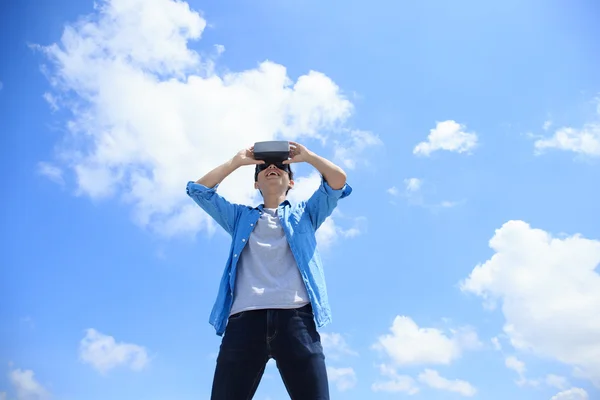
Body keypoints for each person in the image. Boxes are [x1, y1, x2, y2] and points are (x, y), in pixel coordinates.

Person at [186, 141, 352, 399]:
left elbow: (337, 181)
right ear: (256, 184)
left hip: (297, 320)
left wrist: (308, 157)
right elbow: (198, 191)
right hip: (244, 321)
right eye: (264, 167)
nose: (272, 168)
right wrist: (236, 162)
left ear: (291, 182)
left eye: (280, 167)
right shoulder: (239, 217)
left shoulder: (306, 214)